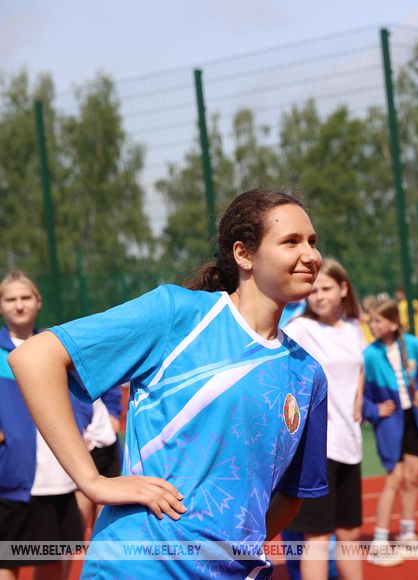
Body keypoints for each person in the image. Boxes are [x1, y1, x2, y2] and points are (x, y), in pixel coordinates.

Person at [8, 189, 329, 578]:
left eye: (312, 241)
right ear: (243, 254)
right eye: (291, 241)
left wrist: (229, 553)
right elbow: (34, 358)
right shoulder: (179, 315)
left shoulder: (307, 374)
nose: (311, 255)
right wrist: (92, 481)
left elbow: (293, 495)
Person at [283, 258, 390, 577]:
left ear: (343, 289)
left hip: (350, 442)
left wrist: (359, 400)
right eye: (313, 290)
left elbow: (358, 367)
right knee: (317, 537)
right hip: (318, 448)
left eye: (326, 289)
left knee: (349, 533)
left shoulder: (355, 328)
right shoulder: (299, 329)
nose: (318, 296)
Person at [0, 271, 91, 580]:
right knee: (6, 558)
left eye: (25, 297)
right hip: (13, 478)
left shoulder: (54, 347)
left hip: (57, 473)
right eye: (11, 299)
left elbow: (84, 393)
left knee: (54, 554)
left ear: (38, 301)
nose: (19, 305)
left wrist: (80, 425)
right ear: (1, 305)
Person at [362, 299, 418, 565]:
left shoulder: (411, 345)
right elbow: (357, 392)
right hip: (389, 423)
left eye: (378, 321)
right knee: (394, 478)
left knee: (413, 476)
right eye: (370, 321)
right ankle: (380, 540)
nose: (372, 325)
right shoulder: (369, 355)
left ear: (394, 323)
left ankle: (407, 533)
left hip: (412, 419)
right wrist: (374, 410)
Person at [76, 384, 124, 537]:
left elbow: (111, 385)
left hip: (105, 440)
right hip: (80, 443)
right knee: (81, 493)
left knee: (107, 494)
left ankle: (99, 544)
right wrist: (77, 431)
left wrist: (113, 413)